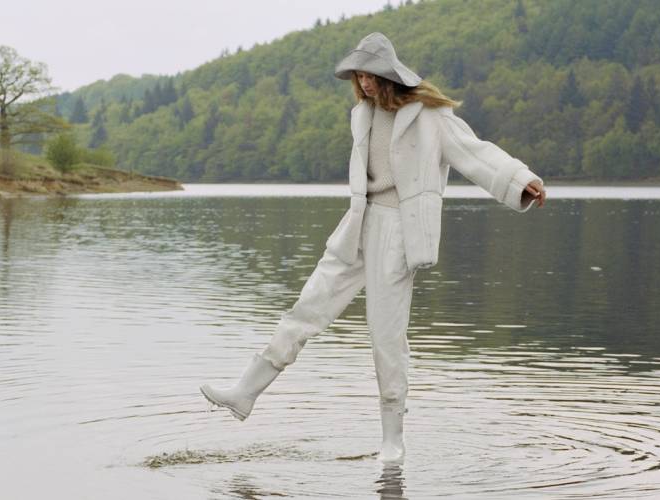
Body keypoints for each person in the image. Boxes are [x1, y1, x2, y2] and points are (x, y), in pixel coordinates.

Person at [200, 32, 546, 463]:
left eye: (369, 75)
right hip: (357, 226)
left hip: (399, 234)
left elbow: (477, 154)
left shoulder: (429, 116)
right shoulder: (361, 115)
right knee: (306, 308)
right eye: (358, 75)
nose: (363, 82)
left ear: (388, 75)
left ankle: (392, 441)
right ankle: (245, 393)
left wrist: (520, 181)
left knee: (387, 339)